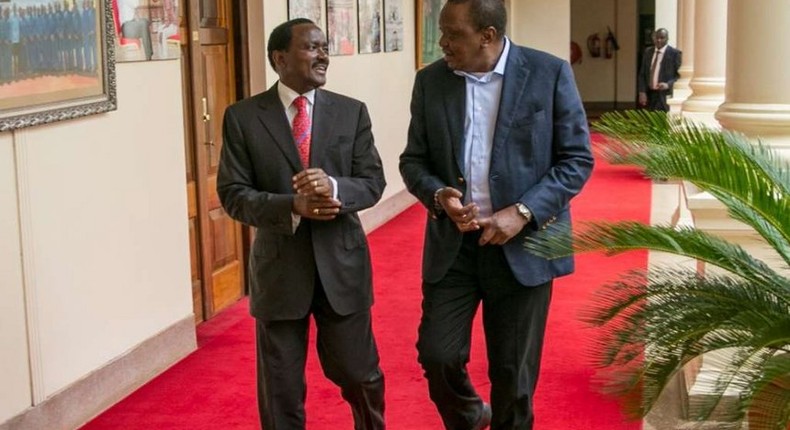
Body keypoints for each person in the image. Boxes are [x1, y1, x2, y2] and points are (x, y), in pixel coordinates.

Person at [399, 1, 594, 429]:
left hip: (523, 248)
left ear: (487, 35)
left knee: (513, 376)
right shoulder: (431, 82)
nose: (442, 42)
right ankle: (469, 413)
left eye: (452, 34)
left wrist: (523, 212)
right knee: (438, 355)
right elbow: (413, 161)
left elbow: (576, 160)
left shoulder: (549, 73)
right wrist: (438, 196)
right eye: (442, 33)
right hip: (455, 248)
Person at [217, 18, 386, 430]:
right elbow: (233, 194)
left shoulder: (351, 112)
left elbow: (372, 182)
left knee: (359, 376)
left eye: (324, 47)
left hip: (342, 269)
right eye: (312, 47)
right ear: (280, 58)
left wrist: (332, 187)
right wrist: (293, 205)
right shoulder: (242, 117)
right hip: (279, 271)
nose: (323, 55)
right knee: (281, 392)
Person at [637, 28, 681, 112]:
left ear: (667, 39)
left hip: (664, 95)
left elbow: (679, 76)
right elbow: (642, 74)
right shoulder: (648, 52)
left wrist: (668, 84)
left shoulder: (675, 54)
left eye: (662, 38)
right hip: (650, 96)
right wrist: (642, 92)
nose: (659, 40)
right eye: (656, 38)